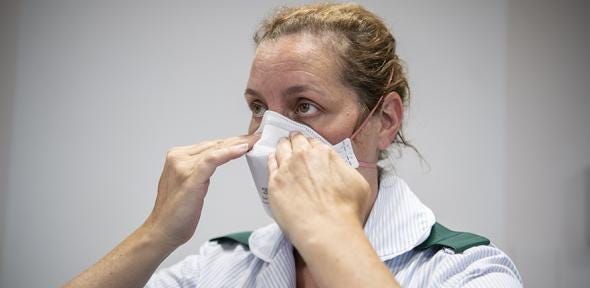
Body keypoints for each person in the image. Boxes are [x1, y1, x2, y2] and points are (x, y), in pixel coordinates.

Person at [65, 3, 522, 288]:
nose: (270, 135)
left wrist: (327, 229)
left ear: (384, 121)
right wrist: (157, 233)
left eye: (304, 106)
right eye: (259, 107)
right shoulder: (221, 266)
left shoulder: (467, 270)